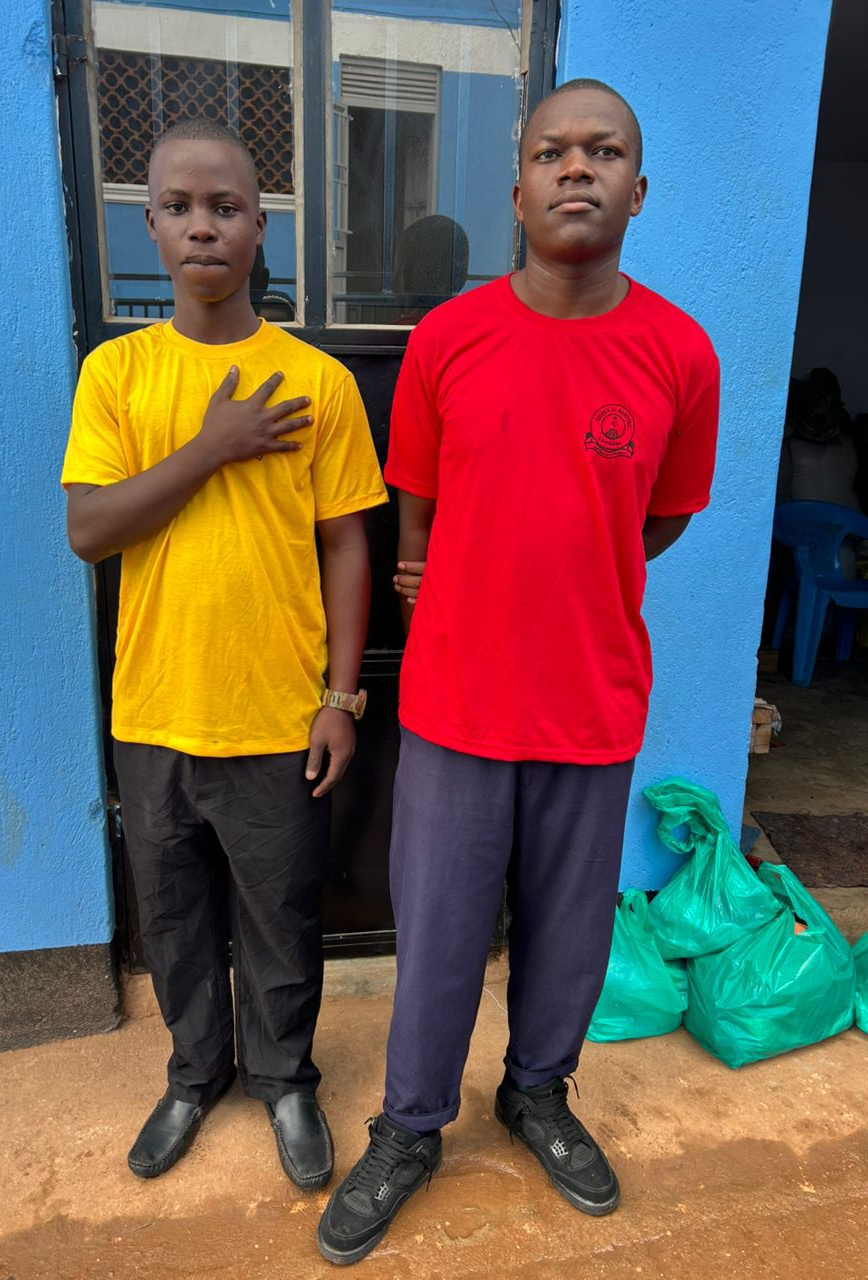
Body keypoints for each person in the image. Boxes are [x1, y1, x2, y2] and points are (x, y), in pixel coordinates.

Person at [317, 79, 720, 1265]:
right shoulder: (450, 338)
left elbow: (659, 519)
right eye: (553, 152)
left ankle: (538, 1090)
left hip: (592, 700)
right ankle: (409, 1125)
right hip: (457, 702)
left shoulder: (680, 353)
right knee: (440, 933)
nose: (576, 168)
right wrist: (439, 572)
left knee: (569, 935)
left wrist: (576, 565)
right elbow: (415, 502)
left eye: (604, 152)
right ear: (517, 190)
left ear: (638, 191)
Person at [61, 119, 387, 1189]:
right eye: (179, 207)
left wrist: (342, 696)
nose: (203, 225)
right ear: (148, 225)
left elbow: (347, 543)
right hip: (155, 707)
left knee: (282, 915)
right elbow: (89, 529)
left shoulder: (317, 382)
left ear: (260, 229)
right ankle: (195, 1072)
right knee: (174, 915)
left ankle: (284, 1079)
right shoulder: (118, 373)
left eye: (227, 207)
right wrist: (210, 447)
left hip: (276, 712)